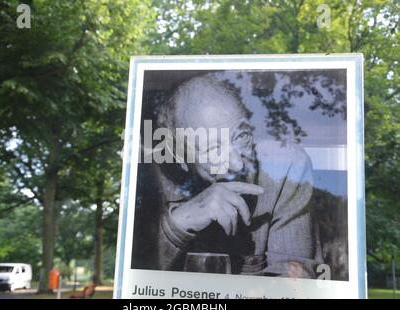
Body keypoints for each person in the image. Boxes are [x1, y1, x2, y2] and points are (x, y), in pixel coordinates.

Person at [132, 73, 323, 279]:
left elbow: (296, 283)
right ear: (180, 157)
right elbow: (136, 284)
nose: (238, 164)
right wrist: (177, 224)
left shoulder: (286, 168)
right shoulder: (146, 178)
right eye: (213, 149)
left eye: (241, 136)